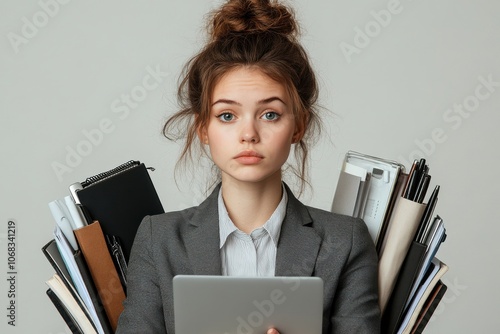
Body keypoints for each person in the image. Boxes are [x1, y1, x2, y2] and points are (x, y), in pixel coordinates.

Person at [116, 0, 380, 333]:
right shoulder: (160, 240)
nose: (249, 134)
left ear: (298, 125)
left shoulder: (345, 242)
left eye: (270, 114)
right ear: (203, 129)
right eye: (227, 115)